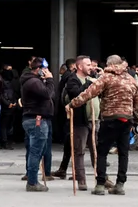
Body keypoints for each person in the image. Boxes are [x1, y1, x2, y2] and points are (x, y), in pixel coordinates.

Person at [68, 54, 138, 195]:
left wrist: (72, 104)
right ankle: (120, 184)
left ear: (110, 64)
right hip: (127, 119)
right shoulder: (131, 80)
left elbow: (88, 93)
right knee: (123, 153)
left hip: (110, 119)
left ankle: (100, 184)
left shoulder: (106, 78)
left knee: (102, 152)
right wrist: (137, 121)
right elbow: (137, 103)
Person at [58, 56, 97, 190]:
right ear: (80, 67)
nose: (91, 67)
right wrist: (89, 84)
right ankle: (81, 180)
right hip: (81, 121)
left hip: (95, 120)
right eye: (88, 65)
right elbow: (76, 94)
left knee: (96, 151)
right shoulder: (72, 79)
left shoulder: (92, 78)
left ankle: (101, 177)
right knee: (79, 150)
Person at [20, 59, 55, 192]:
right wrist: (50, 80)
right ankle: (32, 182)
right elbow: (47, 94)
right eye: (45, 69)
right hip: (37, 120)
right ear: (39, 69)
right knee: (36, 152)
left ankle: (32, 179)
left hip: (36, 119)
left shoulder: (34, 81)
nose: (47, 71)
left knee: (38, 150)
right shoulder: (33, 82)